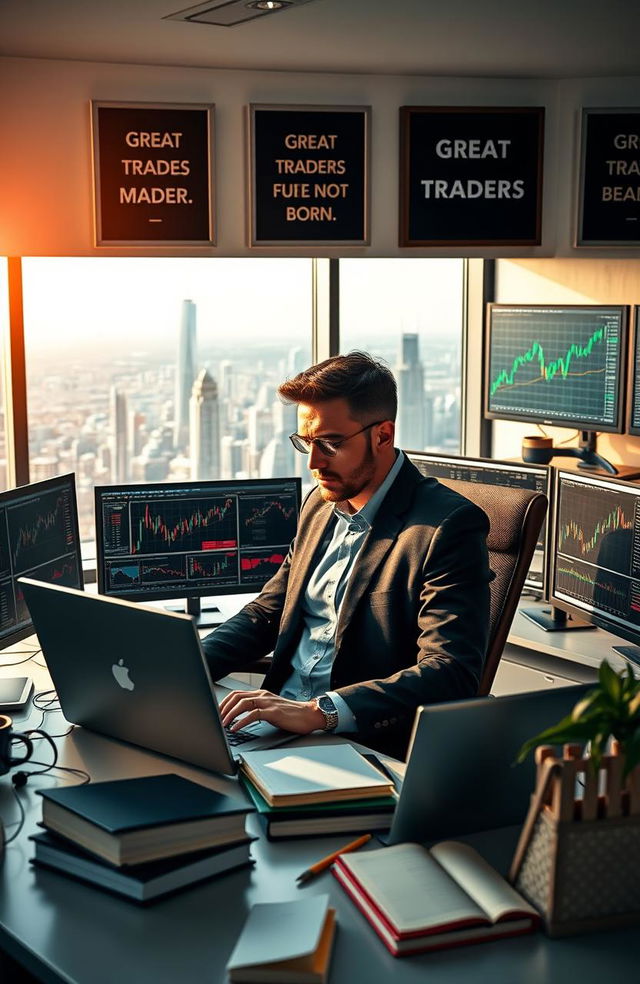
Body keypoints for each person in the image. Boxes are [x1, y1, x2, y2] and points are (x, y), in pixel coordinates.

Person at [202, 351, 492, 759]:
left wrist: (319, 712)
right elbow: (267, 612)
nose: (315, 463)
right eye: (307, 443)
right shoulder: (319, 506)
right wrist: (187, 668)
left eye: (331, 444)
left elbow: (450, 670)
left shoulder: (448, 528)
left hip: (356, 743)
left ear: (383, 435)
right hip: (271, 729)